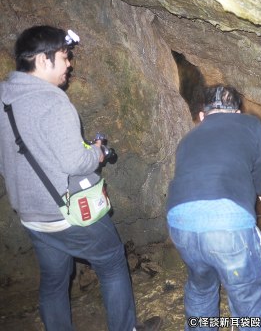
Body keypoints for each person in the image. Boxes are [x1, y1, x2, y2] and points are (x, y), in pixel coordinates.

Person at [0, 26, 161, 331]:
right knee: (113, 261)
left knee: (53, 280)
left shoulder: (3, 98)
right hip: (66, 214)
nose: (70, 63)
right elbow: (75, 161)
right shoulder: (54, 102)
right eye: (64, 56)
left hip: (31, 216)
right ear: (43, 60)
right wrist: (97, 154)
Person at [167, 85, 261, 330]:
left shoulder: (187, 139)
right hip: (227, 225)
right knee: (249, 298)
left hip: (180, 224)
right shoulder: (251, 125)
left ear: (202, 116)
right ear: (237, 113)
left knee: (201, 286)